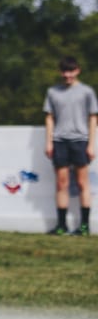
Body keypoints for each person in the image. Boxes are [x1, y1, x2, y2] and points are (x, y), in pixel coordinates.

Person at [42, 56, 97, 236]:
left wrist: (91, 144)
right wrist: (49, 142)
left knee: (82, 183)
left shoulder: (86, 92)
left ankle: (84, 226)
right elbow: (49, 118)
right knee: (61, 183)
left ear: (77, 70)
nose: (68, 75)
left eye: (71, 71)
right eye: (65, 71)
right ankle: (61, 225)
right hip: (60, 141)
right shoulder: (53, 92)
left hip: (80, 140)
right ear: (60, 72)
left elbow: (93, 117)